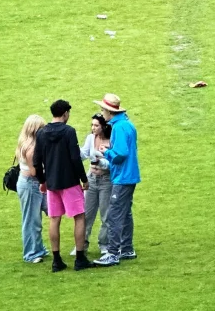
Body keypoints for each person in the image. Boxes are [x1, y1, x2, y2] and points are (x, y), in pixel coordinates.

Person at [33, 100, 94, 272]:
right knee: (79, 217)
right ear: (65, 113)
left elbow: (37, 161)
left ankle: (56, 260)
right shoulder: (69, 131)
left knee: (54, 219)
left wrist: (42, 181)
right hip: (70, 182)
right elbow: (75, 158)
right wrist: (84, 179)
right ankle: (80, 258)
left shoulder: (42, 133)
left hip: (52, 183)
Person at [93, 94, 140, 266]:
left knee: (114, 214)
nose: (101, 113)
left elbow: (120, 154)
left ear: (109, 111)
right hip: (130, 175)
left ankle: (113, 253)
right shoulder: (128, 125)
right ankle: (127, 248)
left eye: (102, 110)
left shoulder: (119, 127)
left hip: (122, 177)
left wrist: (106, 152)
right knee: (125, 213)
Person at [15, 115, 48, 263]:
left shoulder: (24, 142)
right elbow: (35, 172)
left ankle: (38, 248)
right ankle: (31, 253)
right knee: (31, 220)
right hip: (31, 184)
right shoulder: (32, 148)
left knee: (36, 218)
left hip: (28, 183)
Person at [80, 113, 112, 258]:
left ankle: (104, 245)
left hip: (107, 181)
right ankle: (82, 245)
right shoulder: (90, 138)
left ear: (104, 126)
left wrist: (99, 162)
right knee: (87, 214)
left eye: (96, 125)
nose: (93, 128)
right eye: (92, 125)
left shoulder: (112, 140)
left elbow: (113, 164)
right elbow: (83, 154)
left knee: (106, 215)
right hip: (91, 179)